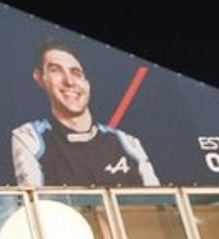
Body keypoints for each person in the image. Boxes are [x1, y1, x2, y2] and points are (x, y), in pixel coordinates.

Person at [12, 39, 159, 187]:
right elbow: (37, 207)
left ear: (88, 83)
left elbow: (161, 205)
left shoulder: (127, 143)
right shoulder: (31, 138)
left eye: (76, 73)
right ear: (40, 78)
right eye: (55, 70)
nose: (69, 81)